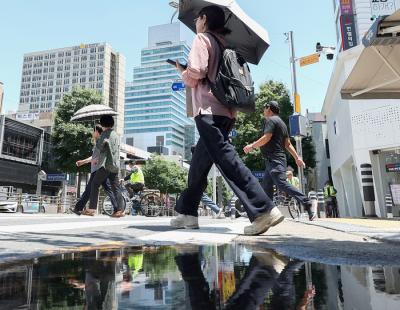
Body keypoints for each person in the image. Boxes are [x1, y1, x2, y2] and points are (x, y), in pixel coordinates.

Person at [170, 5, 284, 235]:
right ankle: (187, 212)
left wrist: (182, 72)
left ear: (204, 19)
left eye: (197, 19)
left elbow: (197, 73)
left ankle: (263, 209)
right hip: (227, 112)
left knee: (226, 159)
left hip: (208, 110)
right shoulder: (225, 44)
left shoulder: (202, 38)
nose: (196, 23)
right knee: (199, 164)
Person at [244, 101, 316, 221]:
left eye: (264, 108)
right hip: (271, 161)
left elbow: (267, 137)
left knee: (281, 183)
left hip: (275, 159)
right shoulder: (282, 124)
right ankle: (266, 214)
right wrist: (297, 157)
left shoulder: (271, 120)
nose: (263, 110)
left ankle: (307, 203)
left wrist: (252, 146)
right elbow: (287, 144)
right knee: (266, 187)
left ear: (269, 109)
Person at [72, 125, 118, 216]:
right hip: (100, 169)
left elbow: (98, 157)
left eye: (93, 131)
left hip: (98, 170)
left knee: (89, 189)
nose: (92, 133)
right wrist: (84, 162)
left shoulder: (100, 141)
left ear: (97, 132)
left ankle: (79, 208)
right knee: (107, 189)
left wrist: (84, 162)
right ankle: (117, 208)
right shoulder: (99, 141)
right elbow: (94, 157)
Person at [87, 115, 125, 217]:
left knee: (95, 184)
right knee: (115, 188)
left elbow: (100, 147)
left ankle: (91, 209)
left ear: (103, 124)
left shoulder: (104, 134)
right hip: (115, 165)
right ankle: (119, 210)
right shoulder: (116, 135)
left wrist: (95, 138)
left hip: (106, 165)